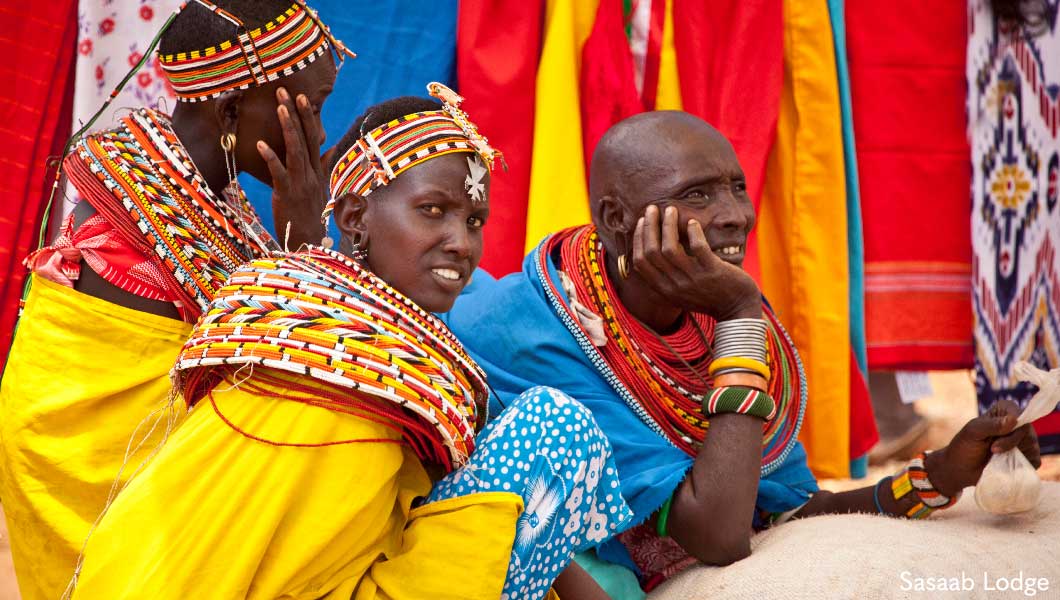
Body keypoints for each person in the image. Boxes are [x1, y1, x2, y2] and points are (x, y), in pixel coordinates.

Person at [442, 111, 1043, 594]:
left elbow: (781, 513)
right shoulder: (533, 330)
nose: (734, 216)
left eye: (735, 187)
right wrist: (737, 315)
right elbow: (720, 534)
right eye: (697, 195)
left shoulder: (709, 320)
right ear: (616, 219)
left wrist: (939, 476)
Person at [69, 86, 632, 600]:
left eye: (476, 219)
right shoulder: (349, 352)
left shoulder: (313, 314)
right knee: (555, 429)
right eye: (433, 211)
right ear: (356, 217)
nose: (462, 243)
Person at [0, 2, 352, 598]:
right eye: (309, 110)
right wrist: (303, 244)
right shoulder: (134, 229)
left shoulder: (213, 201)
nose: (318, 136)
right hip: (120, 547)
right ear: (231, 111)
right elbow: (274, 390)